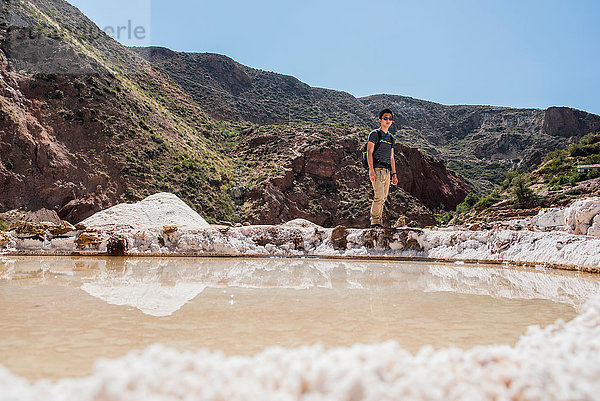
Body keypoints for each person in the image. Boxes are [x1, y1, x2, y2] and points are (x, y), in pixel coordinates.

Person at [366, 108, 398, 228]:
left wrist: (394, 174)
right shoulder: (374, 134)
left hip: (387, 171)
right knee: (379, 196)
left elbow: (392, 157)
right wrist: (371, 170)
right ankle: (375, 223)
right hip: (377, 170)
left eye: (390, 118)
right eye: (385, 118)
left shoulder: (391, 138)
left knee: (384, 198)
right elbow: (369, 152)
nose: (388, 120)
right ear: (380, 120)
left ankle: (378, 222)